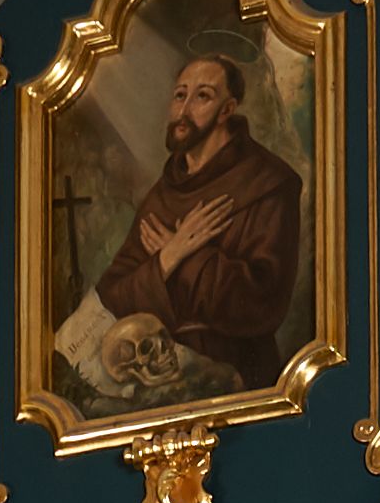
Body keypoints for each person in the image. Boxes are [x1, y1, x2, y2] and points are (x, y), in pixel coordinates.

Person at [85, 55, 303, 393]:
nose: (183, 110)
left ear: (227, 110)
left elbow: (263, 303)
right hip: (160, 381)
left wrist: (187, 260)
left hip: (240, 378)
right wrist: (169, 256)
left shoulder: (269, 182)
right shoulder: (164, 193)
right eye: (180, 95)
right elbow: (113, 297)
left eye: (202, 96)